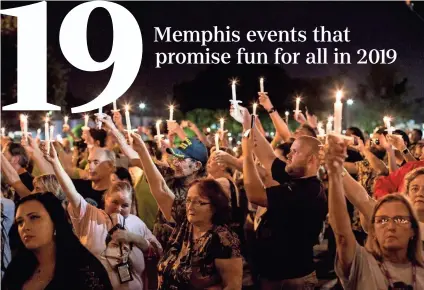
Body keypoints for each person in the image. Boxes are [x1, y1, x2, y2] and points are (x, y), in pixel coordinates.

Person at [43, 145, 161, 290]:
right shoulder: (91, 216)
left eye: (125, 205)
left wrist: (133, 238)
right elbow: (71, 192)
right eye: (114, 202)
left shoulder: (137, 224)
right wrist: (55, 163)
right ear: (106, 200)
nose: (119, 208)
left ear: (131, 205)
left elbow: (155, 253)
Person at [240, 105, 327, 289]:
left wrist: (247, 154)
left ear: (311, 160)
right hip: (274, 275)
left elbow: (255, 194)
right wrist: (248, 124)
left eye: (295, 152)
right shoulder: (296, 176)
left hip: (292, 280)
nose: (289, 155)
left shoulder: (308, 191)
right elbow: (268, 157)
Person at [325, 135, 424, 289]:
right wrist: (336, 170)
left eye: (401, 221)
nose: (391, 227)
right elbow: (362, 199)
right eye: (414, 188)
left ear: (413, 232)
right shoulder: (365, 265)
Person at [1, 192, 113, 290]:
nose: (25, 227)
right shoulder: (16, 269)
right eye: (20, 222)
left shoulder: (84, 270)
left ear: (55, 222)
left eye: (34, 217)